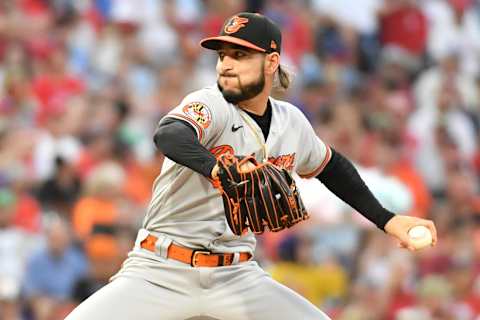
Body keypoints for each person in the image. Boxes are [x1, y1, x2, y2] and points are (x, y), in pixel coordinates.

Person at [66, 12, 437, 320]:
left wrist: (388, 220)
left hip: (236, 274)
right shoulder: (210, 104)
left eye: (240, 55)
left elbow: (331, 166)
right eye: (223, 55)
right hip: (161, 269)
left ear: (271, 62)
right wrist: (217, 169)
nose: (226, 64)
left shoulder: (291, 121)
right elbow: (170, 134)